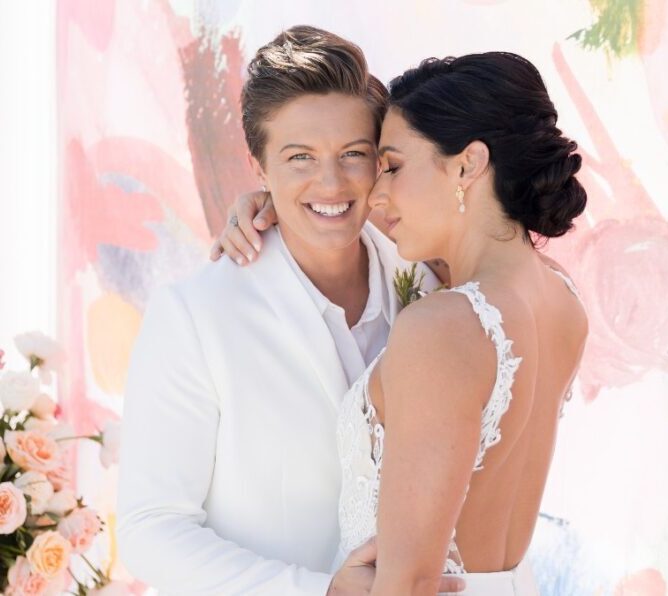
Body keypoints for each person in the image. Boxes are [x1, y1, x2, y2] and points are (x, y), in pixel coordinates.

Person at [218, 52, 589, 595]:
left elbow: (410, 581)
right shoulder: (558, 294)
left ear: (467, 165)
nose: (377, 192)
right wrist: (278, 199)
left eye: (390, 165)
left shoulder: (442, 326)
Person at [116, 26, 465, 596]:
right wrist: (318, 591)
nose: (331, 182)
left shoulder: (429, 286)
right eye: (299, 157)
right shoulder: (195, 316)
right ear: (259, 165)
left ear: (380, 160)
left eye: (353, 154)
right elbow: (150, 529)